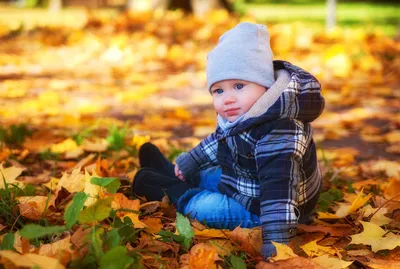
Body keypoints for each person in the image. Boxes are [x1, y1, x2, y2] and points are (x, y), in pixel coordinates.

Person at [132, 22, 325, 259]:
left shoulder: (278, 135)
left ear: (265, 85)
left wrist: (277, 247)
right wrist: (189, 162)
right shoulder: (246, 111)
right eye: (218, 91)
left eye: (239, 86)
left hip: (270, 211)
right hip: (249, 181)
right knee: (214, 175)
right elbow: (218, 142)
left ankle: (175, 190)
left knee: (207, 208)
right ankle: (175, 173)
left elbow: (279, 195)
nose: (228, 99)